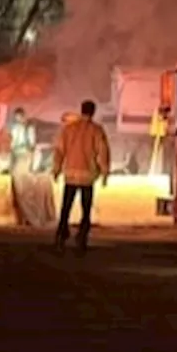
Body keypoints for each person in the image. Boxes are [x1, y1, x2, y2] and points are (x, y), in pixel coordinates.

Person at [51, 99, 111, 256]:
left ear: (81, 110)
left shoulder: (69, 129)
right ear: (93, 112)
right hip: (87, 177)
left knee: (66, 208)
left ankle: (60, 235)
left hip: (70, 174)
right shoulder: (97, 130)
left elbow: (59, 151)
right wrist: (104, 173)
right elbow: (102, 153)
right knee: (86, 209)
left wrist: (56, 170)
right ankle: (82, 237)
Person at [9, 107, 36, 175]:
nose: (17, 118)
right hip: (16, 151)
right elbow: (13, 138)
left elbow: (31, 139)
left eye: (18, 116)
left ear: (22, 115)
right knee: (15, 171)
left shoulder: (28, 126)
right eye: (16, 117)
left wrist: (31, 148)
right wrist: (11, 147)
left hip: (25, 151)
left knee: (24, 171)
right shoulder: (15, 127)